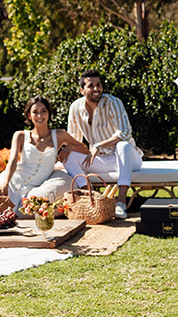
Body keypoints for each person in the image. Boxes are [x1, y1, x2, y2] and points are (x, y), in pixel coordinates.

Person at [0, 96, 89, 214]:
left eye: (43, 111)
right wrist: (5, 184)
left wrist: (69, 146)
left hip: (33, 185)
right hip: (14, 178)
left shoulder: (59, 135)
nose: (40, 116)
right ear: (29, 115)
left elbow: (84, 149)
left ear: (49, 114)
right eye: (35, 112)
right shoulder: (21, 135)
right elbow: (12, 162)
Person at [58, 69, 143, 219]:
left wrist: (98, 145)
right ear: (82, 90)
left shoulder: (114, 102)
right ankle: (92, 197)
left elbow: (124, 133)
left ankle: (121, 202)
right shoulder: (75, 108)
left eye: (99, 85)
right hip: (101, 160)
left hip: (127, 158)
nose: (96, 89)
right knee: (67, 156)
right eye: (91, 86)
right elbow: (74, 139)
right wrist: (69, 146)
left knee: (122, 145)